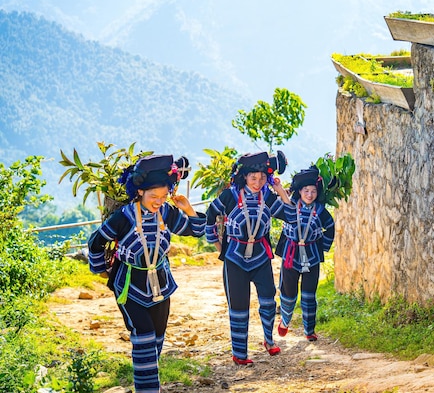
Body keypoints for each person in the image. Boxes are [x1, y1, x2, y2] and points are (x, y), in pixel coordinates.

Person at [88, 154, 206, 393]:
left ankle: (149, 382)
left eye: (163, 197)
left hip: (161, 285)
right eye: (154, 196)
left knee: (157, 340)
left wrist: (188, 209)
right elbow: (95, 242)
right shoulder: (123, 218)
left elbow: (196, 231)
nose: (158, 201)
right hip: (130, 285)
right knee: (143, 337)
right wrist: (101, 270)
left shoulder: (167, 213)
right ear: (139, 192)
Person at [205, 151, 295, 365]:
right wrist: (220, 247)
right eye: (253, 177)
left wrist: (280, 190)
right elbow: (210, 217)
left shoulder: (268, 197)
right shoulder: (230, 196)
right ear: (244, 176)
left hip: (261, 256)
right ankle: (239, 353)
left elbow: (291, 216)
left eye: (262, 177)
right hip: (234, 258)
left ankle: (269, 340)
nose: (258, 182)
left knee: (267, 299)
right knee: (238, 306)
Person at [275, 166, 335, 342]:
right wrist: (279, 190)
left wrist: (322, 247)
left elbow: (330, 228)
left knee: (309, 294)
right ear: (300, 191)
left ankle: (309, 330)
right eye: (306, 191)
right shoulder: (291, 206)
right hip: (291, 255)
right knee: (288, 292)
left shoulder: (321, 210)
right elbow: (274, 209)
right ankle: (285, 321)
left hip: (311, 256)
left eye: (313, 191)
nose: (310, 194)